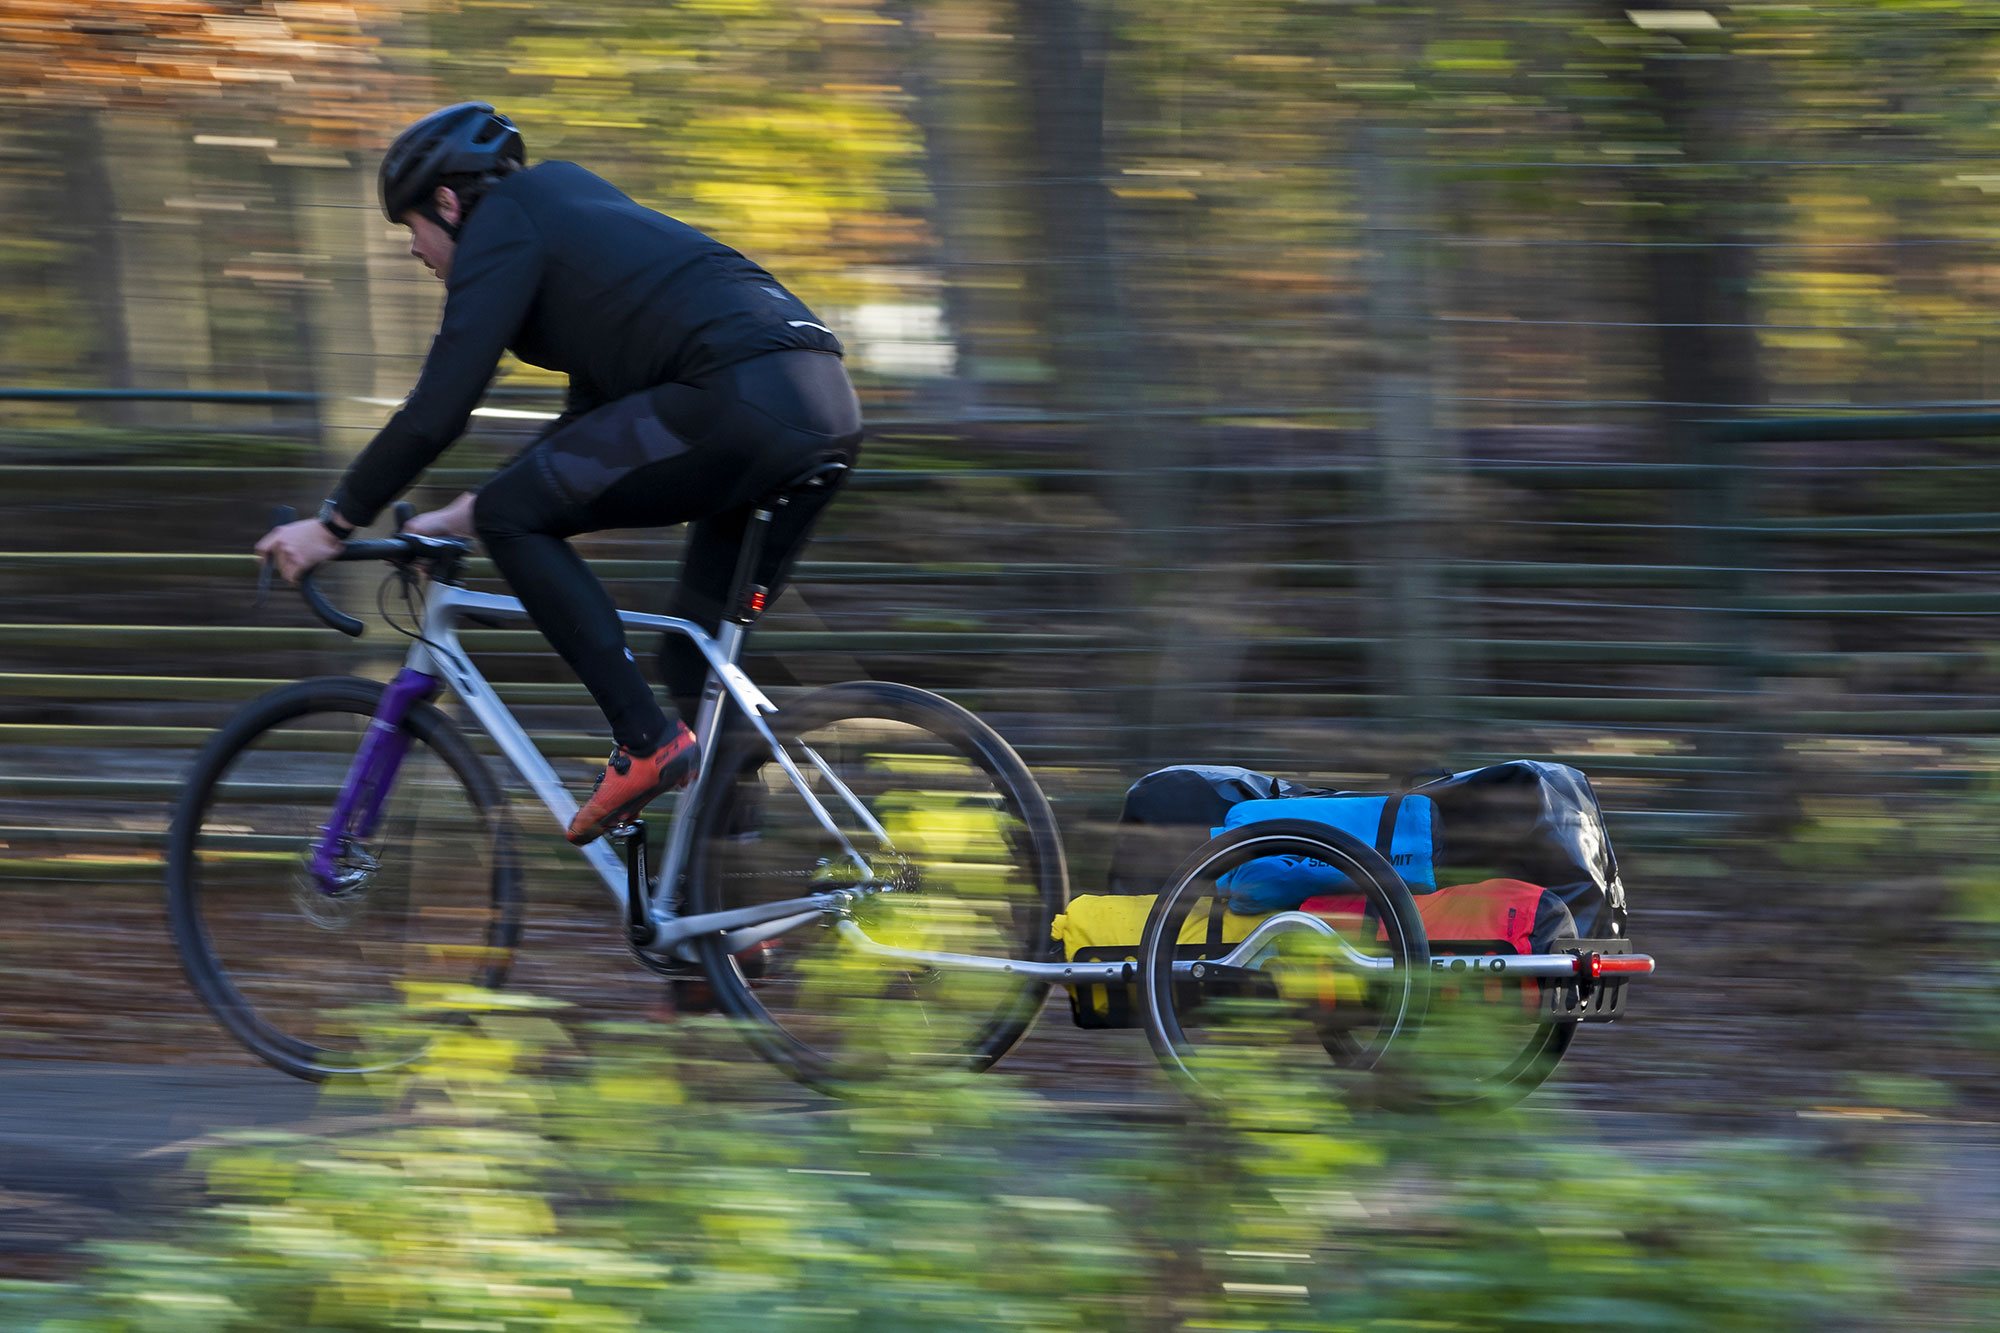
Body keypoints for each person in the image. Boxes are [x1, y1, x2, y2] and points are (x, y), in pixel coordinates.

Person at [255, 102, 862, 846]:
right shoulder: (572, 211)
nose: (415, 251)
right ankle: (729, 913)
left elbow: (437, 409)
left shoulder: (502, 224)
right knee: (690, 651)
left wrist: (335, 521)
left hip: (735, 395)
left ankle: (645, 741)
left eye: (410, 228)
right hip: (820, 403)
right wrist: (457, 516)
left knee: (517, 517)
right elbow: (588, 435)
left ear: (447, 203)